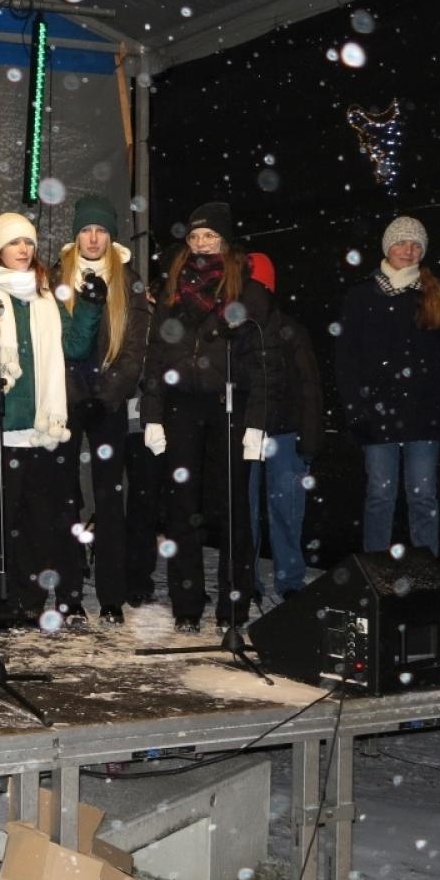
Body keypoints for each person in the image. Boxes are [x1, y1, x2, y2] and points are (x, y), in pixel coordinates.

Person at [140, 202, 278, 633]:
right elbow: (157, 355)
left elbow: (264, 360)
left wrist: (257, 421)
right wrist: (153, 414)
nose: (201, 244)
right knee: (181, 509)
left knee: (232, 509)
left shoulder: (247, 290)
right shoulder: (171, 289)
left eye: (210, 236)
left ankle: (233, 608)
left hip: (228, 408)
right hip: (182, 407)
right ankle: (186, 604)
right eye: (196, 236)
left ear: (225, 240)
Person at [0, 211, 83, 629]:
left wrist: (87, 309)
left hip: (40, 429)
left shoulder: (44, 296)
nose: (23, 250)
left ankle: (31, 598)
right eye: (15, 242)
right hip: (1, 426)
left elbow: (70, 346)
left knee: (37, 523)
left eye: (29, 243)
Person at [334, 216, 440, 557]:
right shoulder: (361, 296)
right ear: (386, 248)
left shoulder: (434, 294)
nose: (408, 250)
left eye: (415, 244)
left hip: (424, 417)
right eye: (401, 243)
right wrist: (355, 410)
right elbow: (347, 360)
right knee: (380, 495)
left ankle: (427, 573)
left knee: (423, 497)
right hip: (376, 416)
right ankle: (376, 569)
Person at [55, 193, 151, 625]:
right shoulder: (58, 278)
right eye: (86, 231)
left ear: (111, 237)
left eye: (101, 231)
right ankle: (69, 592)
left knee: (111, 499)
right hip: (66, 401)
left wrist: (106, 396)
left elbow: (133, 351)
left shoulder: (129, 282)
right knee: (66, 497)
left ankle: (111, 595)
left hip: (109, 405)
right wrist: (79, 397)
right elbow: (56, 343)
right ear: (76, 237)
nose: (93, 238)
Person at [244, 253, 323, 599]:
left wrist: (309, 439)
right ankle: (248, 582)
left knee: (286, 511)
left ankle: (288, 579)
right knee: (247, 513)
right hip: (247, 433)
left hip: (285, 433)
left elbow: (309, 387)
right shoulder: (235, 333)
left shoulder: (290, 331)